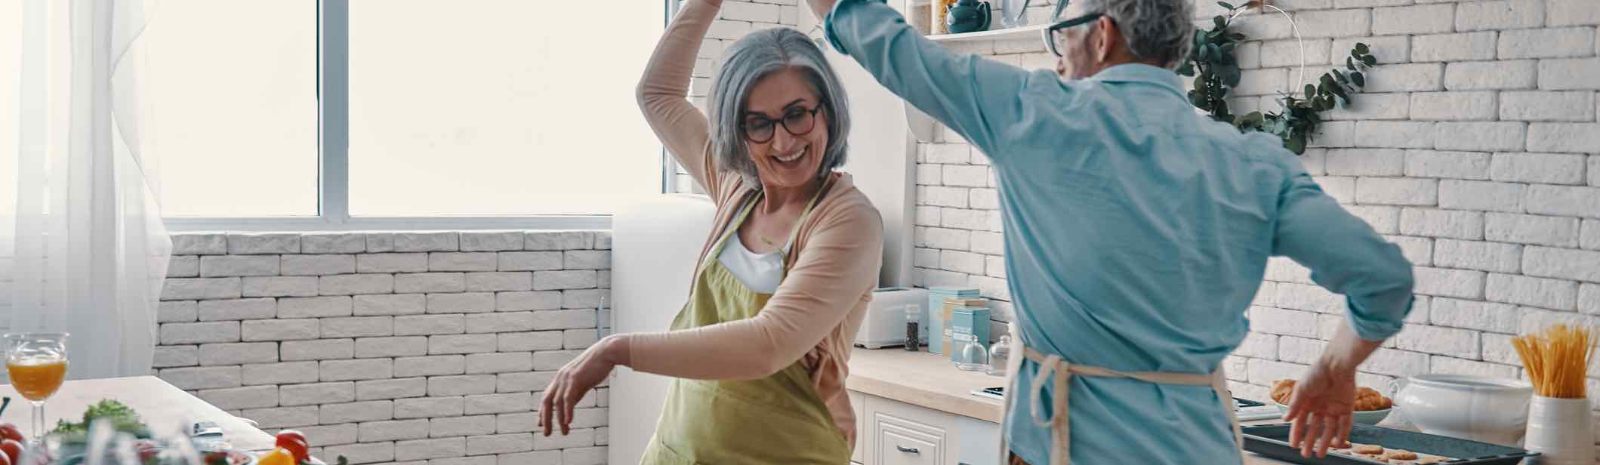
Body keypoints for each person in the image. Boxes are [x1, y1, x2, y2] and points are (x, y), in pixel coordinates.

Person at [804, 0, 1415, 463]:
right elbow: (1384, 280)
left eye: (1060, 34)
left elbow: (884, 41)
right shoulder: (1253, 162)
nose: (1056, 56)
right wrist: (1335, 369)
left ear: (1103, 33)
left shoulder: (1032, 111)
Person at [536, 0, 883, 463]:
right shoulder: (736, 187)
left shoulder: (847, 220)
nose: (783, 142)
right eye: (759, 124)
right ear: (736, 132)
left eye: (797, 113)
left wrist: (617, 349)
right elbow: (657, 94)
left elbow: (769, 344)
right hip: (680, 450)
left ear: (827, 112)